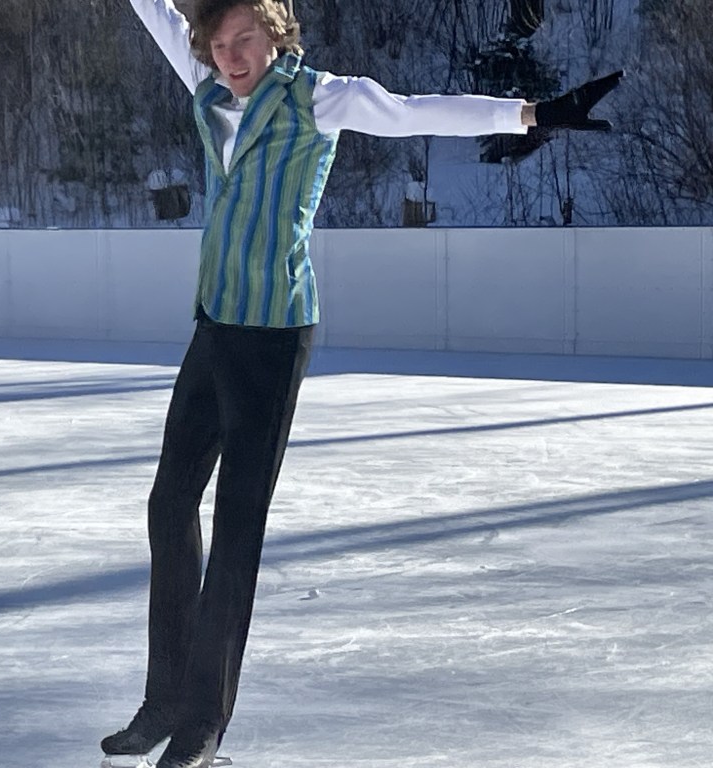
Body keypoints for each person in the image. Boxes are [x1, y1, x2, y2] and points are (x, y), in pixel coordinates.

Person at [102, 2, 621, 766]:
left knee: (238, 523)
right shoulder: (208, 86)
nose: (232, 54)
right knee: (169, 503)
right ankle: (165, 699)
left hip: (275, 333)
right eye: (218, 43)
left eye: (246, 37)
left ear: (274, 36)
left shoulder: (319, 96)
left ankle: (204, 722)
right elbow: (155, 10)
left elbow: (414, 114)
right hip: (214, 322)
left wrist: (533, 112)